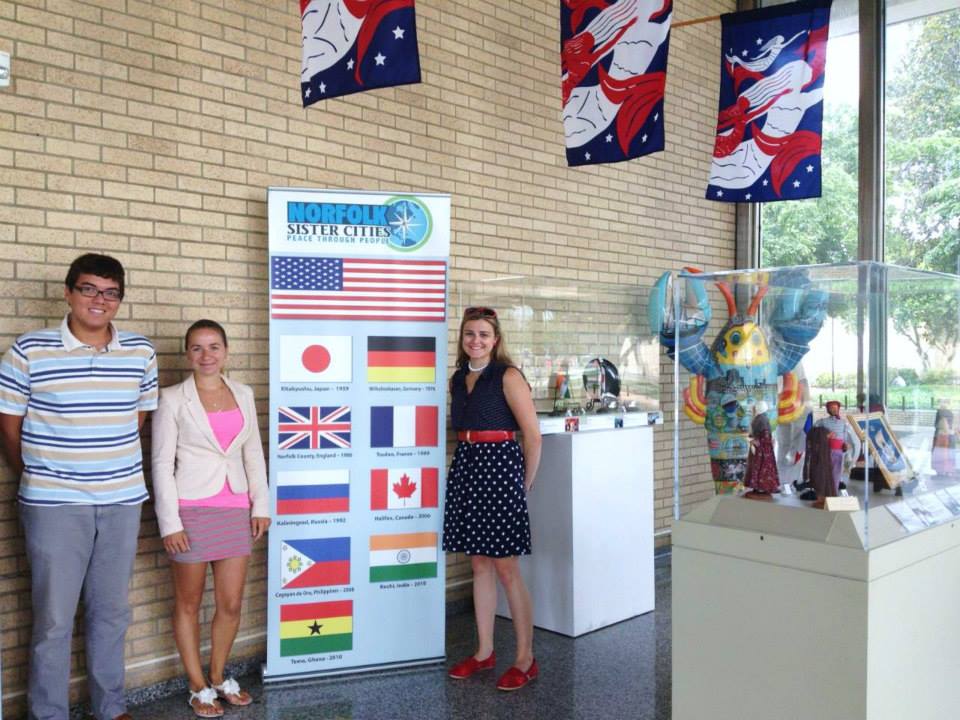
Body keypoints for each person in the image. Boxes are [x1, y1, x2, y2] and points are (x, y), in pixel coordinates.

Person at [0, 253, 158, 720]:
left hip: (121, 501)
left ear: (119, 300)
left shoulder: (141, 352)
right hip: (54, 505)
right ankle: (49, 713)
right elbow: (9, 428)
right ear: (68, 292)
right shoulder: (29, 350)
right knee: (53, 618)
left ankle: (111, 707)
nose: (99, 300)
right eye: (88, 288)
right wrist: (40, 474)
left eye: (110, 293)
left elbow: (136, 420)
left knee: (111, 612)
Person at [151, 320, 270, 718]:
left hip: (235, 507)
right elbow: (161, 464)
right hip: (191, 510)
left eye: (214, 346)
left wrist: (261, 504)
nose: (206, 355)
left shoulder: (243, 393)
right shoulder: (172, 399)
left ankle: (218, 677)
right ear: (187, 354)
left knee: (231, 603)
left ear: (226, 351)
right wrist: (170, 523)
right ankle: (196, 685)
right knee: (188, 603)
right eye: (198, 348)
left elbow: (252, 452)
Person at [443, 306, 542, 691]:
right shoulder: (457, 378)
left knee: (506, 568)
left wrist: (522, 485)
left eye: (484, 334)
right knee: (479, 564)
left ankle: (525, 659)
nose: (476, 340)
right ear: (462, 338)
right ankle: (484, 652)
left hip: (500, 469)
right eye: (470, 333)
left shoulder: (508, 375)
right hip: (467, 466)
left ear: (495, 339)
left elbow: (532, 436)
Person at [743, 402, 780, 496]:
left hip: (760, 447)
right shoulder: (762, 418)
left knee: (758, 465)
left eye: (755, 408)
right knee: (763, 466)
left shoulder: (758, 419)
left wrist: (753, 440)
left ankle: (759, 487)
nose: (753, 410)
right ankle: (763, 487)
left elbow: (754, 434)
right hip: (763, 447)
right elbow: (764, 434)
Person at [932, 401, 955, 476]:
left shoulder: (941, 412)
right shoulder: (949, 412)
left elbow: (941, 424)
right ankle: (946, 470)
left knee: (941, 453)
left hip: (942, 435)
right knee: (946, 453)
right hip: (946, 435)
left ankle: (941, 470)